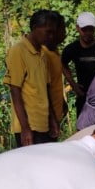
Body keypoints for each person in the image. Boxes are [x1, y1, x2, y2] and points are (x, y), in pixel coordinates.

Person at [4, 9, 61, 147]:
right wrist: (25, 128)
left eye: (53, 32)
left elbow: (45, 88)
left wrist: (52, 119)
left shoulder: (43, 54)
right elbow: (15, 90)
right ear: (35, 28)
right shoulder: (18, 51)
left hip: (43, 123)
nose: (51, 37)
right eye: (48, 32)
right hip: (29, 125)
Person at [43, 11, 68, 140]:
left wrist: (62, 101)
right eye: (63, 30)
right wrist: (52, 118)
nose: (65, 34)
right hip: (46, 119)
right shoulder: (43, 54)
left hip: (55, 114)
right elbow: (44, 88)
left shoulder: (55, 51)